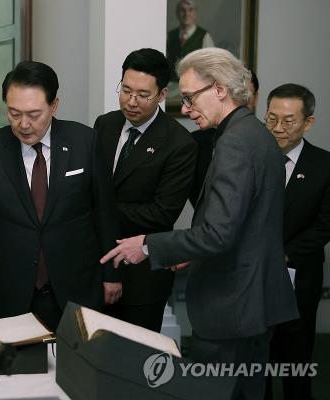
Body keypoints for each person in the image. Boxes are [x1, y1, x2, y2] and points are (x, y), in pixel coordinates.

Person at [101, 48, 298, 400]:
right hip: (256, 300)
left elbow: (218, 233)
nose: (187, 109)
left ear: (219, 90)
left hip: (231, 305)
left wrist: (147, 244)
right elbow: (244, 224)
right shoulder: (255, 133)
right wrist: (193, 250)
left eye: (190, 98)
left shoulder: (234, 143)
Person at [0, 61, 121, 331]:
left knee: (75, 369)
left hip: (75, 284)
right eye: (13, 113)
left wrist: (112, 274)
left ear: (54, 105)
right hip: (11, 284)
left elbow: (104, 212)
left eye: (33, 114)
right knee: (16, 370)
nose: (23, 124)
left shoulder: (85, 142)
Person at [93, 48, 197, 332]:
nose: (131, 101)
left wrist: (99, 211)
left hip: (142, 276)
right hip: (96, 265)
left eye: (143, 95)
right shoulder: (105, 124)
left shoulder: (179, 144)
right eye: (125, 90)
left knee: (135, 361)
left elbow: (161, 213)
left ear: (162, 94)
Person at [264, 84, 330, 400]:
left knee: (295, 362)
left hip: (298, 276)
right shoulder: (251, 157)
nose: (278, 128)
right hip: (251, 278)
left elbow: (324, 226)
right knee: (254, 363)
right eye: (271, 118)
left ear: (308, 123)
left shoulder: (324, 166)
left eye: (288, 121)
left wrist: (283, 256)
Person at [189, 70, 258, 206]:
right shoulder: (196, 142)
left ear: (255, 98)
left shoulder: (264, 138)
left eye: (245, 95)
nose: (240, 101)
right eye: (236, 94)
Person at [167, 0, 214, 82]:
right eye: (183, 10)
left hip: (195, 85)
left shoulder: (204, 36)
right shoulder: (170, 35)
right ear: (177, 13)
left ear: (195, 13)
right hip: (172, 85)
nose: (186, 14)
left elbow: (210, 65)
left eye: (190, 10)